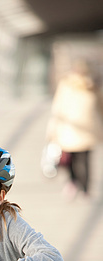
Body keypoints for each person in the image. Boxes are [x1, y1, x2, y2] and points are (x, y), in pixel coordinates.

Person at [46, 59, 103, 198]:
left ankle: (73, 183)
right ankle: (85, 188)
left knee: (70, 158)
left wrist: (52, 129)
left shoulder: (66, 85)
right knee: (85, 159)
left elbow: (58, 107)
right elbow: (100, 107)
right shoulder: (93, 86)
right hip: (87, 129)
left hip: (68, 129)